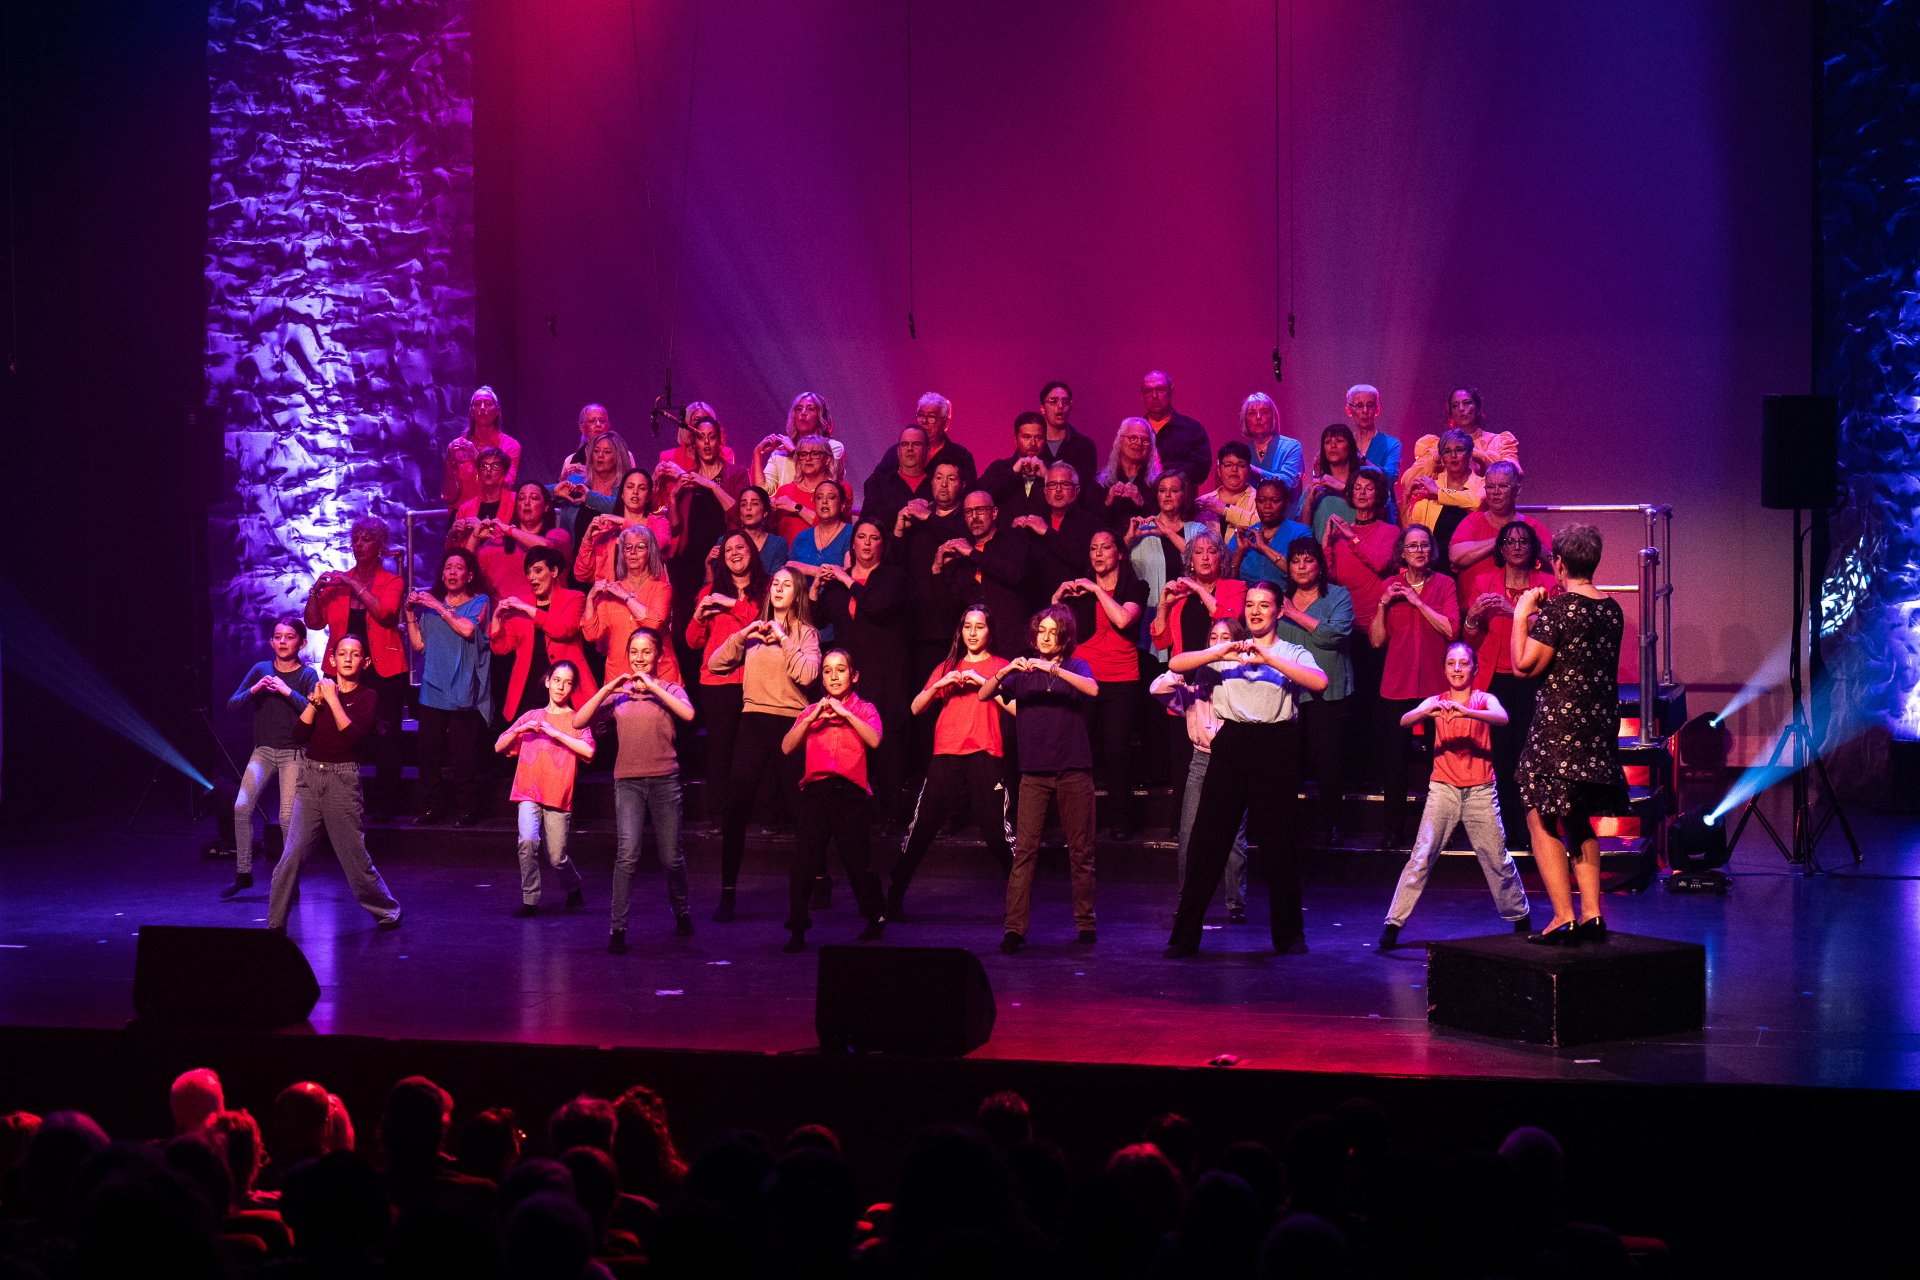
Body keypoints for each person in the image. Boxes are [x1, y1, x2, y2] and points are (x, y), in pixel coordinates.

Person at [1163, 583, 1327, 957]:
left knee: (1280, 842)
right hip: (1232, 743)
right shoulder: (1227, 652)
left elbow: (1319, 681)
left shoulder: (1290, 651)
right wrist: (1220, 650)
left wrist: (1268, 660)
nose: (1255, 611)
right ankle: (1185, 936)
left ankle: (1288, 936)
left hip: (1276, 744)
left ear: (1278, 611)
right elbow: (1175, 664)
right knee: (1208, 840)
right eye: (1250, 605)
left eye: (1263, 605)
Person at [1512, 524, 1629, 944]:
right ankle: (1592, 914)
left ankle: (1563, 915)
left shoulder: (1561, 610)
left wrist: (1521, 614)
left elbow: (1524, 665)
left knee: (1540, 815)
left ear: (1559, 564)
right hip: (1596, 729)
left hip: (1559, 731)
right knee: (1577, 817)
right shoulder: (1611, 608)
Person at [1378, 641, 1531, 948]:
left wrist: (1468, 712)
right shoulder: (1437, 700)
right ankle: (1393, 924)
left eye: (1463, 664)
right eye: (1451, 664)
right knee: (1421, 856)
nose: (1457, 669)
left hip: (1480, 792)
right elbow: (1404, 720)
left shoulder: (1484, 699)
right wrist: (1426, 711)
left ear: (1474, 669)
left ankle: (1519, 915)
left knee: (1496, 857)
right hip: (1443, 791)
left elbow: (1502, 717)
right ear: (1445, 668)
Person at [978, 605, 1100, 953]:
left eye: (1053, 632)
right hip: (1033, 775)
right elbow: (984, 694)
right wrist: (1004, 672)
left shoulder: (1075, 666)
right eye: (1041, 631)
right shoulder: (1024, 671)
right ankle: (1014, 928)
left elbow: (1092, 689)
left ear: (1064, 637)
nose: (1046, 638)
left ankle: (1085, 922)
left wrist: (1055, 670)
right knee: (1025, 852)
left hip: (1073, 771)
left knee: (1081, 852)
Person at [706, 566, 822, 921]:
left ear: (797, 593)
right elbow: (715, 664)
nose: (779, 589)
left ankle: (818, 878)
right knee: (737, 805)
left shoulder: (806, 633)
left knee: (802, 808)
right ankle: (728, 892)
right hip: (754, 721)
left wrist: (784, 639)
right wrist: (744, 634)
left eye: (787, 585)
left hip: (790, 723)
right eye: (775, 583)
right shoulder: (753, 634)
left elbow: (807, 675)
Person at [267, 635, 404, 932]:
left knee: (354, 858)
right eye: (342, 653)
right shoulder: (321, 691)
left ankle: (386, 908)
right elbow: (299, 736)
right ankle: (275, 924)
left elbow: (352, 737)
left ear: (364, 662)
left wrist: (332, 700)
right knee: (291, 855)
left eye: (355, 655)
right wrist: (314, 703)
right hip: (310, 777)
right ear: (332, 660)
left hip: (342, 780)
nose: (347, 659)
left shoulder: (368, 696)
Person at [573, 628, 697, 950]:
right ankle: (618, 929)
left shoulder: (670, 689)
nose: (639, 658)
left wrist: (654, 687)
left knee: (671, 857)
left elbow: (688, 713)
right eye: (634, 652)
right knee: (627, 855)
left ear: (658, 656)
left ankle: (682, 911)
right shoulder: (620, 696)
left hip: (664, 781)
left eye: (646, 652)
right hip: (628, 782)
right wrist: (607, 689)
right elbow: (578, 721)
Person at [889, 606, 1013, 919]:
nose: (973, 632)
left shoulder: (1000, 666)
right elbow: (916, 708)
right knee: (921, 829)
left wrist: (983, 682)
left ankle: (1020, 902)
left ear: (989, 631)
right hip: (946, 752)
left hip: (985, 752)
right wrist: (939, 686)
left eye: (979, 626)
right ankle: (894, 896)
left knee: (996, 833)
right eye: (968, 626)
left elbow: (1017, 709)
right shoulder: (947, 666)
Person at [779, 649, 887, 952]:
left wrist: (847, 714)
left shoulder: (864, 709)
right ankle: (798, 925)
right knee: (803, 859)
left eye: (841, 670)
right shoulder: (813, 711)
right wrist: (812, 716)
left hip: (850, 794)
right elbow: (787, 747)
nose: (834, 676)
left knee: (856, 860)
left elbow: (875, 739)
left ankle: (875, 915)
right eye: (827, 671)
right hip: (817, 792)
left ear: (853, 676)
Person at [1462, 519, 1559, 848]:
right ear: (1500, 549)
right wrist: (1473, 617)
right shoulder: (1482, 580)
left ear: (1533, 549)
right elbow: (1470, 639)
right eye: (1510, 541)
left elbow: (1554, 633)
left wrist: (1517, 612)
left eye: (1523, 542)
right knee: (1499, 759)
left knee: (1530, 758)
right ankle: (1500, 832)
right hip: (1494, 682)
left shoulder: (1547, 584)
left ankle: (1533, 832)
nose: (1516, 546)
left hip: (1531, 680)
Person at [1150, 618, 1252, 926]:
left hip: (1234, 763)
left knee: (1234, 836)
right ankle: (1187, 900)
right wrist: (1181, 677)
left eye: (1226, 637)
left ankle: (1235, 902)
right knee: (1190, 833)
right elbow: (1158, 688)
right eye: (1214, 637)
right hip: (1201, 761)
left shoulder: (1244, 678)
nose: (1219, 642)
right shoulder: (1197, 681)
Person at [303, 517, 407, 818]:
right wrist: (314, 592)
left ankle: (386, 806)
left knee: (386, 737)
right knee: (335, 732)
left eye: (366, 539)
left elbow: (385, 614)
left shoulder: (392, 581)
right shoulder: (338, 584)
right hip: (343, 669)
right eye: (356, 539)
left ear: (380, 546)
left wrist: (354, 584)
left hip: (383, 669)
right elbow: (313, 622)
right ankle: (335, 801)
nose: (359, 544)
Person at [810, 518, 911, 822]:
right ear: (852, 544)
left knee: (888, 746)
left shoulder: (892, 577)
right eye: (862, 537)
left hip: (886, 673)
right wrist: (815, 589)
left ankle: (891, 817)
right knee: (851, 742)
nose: (867, 543)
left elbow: (876, 606)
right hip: (850, 677)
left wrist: (846, 579)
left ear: (883, 544)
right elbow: (821, 619)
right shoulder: (840, 583)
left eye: (874, 538)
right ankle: (857, 815)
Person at [1367, 524, 1461, 849]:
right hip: (1397, 685)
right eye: (1412, 546)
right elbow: (1377, 640)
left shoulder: (1445, 584)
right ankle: (1393, 829)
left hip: (1436, 686)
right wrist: (1382, 604)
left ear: (1431, 550)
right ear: (1402, 553)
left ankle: (1442, 832)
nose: (1419, 550)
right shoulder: (1389, 586)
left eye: (1424, 545)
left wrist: (1418, 602)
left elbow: (1451, 629)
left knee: (1442, 763)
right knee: (1395, 763)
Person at [1055, 530, 1148, 840]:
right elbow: (1055, 628)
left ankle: (1121, 819)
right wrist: (1057, 599)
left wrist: (1096, 589)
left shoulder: (1135, 587)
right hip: (1084, 676)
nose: (1097, 554)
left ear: (1118, 553)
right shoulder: (1078, 590)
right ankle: (1076, 818)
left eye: (1105, 547)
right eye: (1093, 548)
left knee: (1116, 749)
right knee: (1080, 748)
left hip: (1121, 677)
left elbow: (1123, 619)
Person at [222, 615, 320, 897]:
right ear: (271, 641)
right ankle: (243, 873)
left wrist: (287, 691)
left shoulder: (307, 675)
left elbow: (313, 712)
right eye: (278, 636)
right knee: (241, 807)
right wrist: (255, 689)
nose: (282, 642)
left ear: (301, 643)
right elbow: (232, 704)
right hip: (263, 751)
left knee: (287, 817)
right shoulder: (260, 669)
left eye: (289, 637)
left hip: (293, 752)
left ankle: (291, 880)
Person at [1324, 465, 1400, 804]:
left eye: (1369, 488)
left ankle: (1378, 774)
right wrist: (1327, 543)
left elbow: (1382, 563)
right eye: (1357, 487)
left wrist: (1351, 537)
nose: (1362, 492)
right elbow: (1330, 575)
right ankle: (1353, 775)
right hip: (1345, 626)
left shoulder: (1389, 531)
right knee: (1349, 704)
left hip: (1375, 626)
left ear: (1379, 494)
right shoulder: (1340, 531)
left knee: (1376, 702)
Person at [495, 662, 595, 918]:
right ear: (548, 681)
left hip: (558, 795)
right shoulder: (531, 716)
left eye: (568, 682)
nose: (561, 686)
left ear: (573, 687)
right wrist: (519, 729)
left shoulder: (577, 719)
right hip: (529, 791)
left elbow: (589, 751)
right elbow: (499, 746)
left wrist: (555, 733)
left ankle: (573, 886)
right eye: (557, 680)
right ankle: (530, 899)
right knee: (527, 842)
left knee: (557, 857)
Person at [684, 532, 768, 831]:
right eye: (729, 549)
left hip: (759, 678)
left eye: (740, 547)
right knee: (721, 749)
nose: (734, 553)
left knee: (756, 749)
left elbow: (763, 624)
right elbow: (693, 642)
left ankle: (761, 813)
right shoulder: (710, 591)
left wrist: (731, 603)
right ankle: (720, 815)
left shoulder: (767, 588)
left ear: (751, 552)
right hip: (718, 682)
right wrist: (697, 616)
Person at [1275, 539, 1356, 844]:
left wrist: (1294, 614)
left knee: (1327, 761)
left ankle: (1334, 824)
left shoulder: (1338, 596)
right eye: (1296, 561)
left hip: (1328, 693)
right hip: (1288, 693)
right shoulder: (1278, 599)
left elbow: (1334, 635)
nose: (1302, 567)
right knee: (1286, 761)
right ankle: (1287, 826)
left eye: (1308, 561)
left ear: (1320, 566)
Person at [405, 549, 492, 827]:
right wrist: (410, 614)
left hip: (462, 687)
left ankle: (467, 807)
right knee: (428, 752)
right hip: (432, 686)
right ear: (442, 574)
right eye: (448, 568)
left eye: (458, 568)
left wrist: (438, 607)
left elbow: (467, 630)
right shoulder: (431, 607)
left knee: (461, 754)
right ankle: (432, 807)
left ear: (469, 575)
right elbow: (419, 645)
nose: (452, 572)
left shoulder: (480, 601)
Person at [488, 544, 597, 726]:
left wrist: (530, 610)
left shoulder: (574, 598)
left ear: (554, 571)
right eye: (529, 572)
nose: (532, 578)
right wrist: (496, 617)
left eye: (538, 571)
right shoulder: (521, 603)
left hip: (567, 690)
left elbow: (563, 629)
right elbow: (501, 648)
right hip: (530, 690)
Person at [1125, 472, 1215, 661]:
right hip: (1152, 615)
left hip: (1189, 614)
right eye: (1162, 490)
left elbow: (1198, 556)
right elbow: (1116, 559)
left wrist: (1167, 532)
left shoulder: (1197, 530)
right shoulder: (1141, 530)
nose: (1167, 495)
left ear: (1184, 495)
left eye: (1174, 490)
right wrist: (1128, 538)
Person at [583, 524, 682, 686]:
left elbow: (653, 623)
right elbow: (591, 634)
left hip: (659, 677)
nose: (633, 552)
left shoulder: (661, 588)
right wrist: (590, 598)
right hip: (619, 679)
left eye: (640, 547)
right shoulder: (611, 591)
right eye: (628, 548)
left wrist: (624, 595)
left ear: (650, 552)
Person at [462, 481, 573, 608]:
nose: (526, 502)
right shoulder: (498, 543)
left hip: (547, 617)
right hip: (506, 620)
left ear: (546, 506)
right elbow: (467, 569)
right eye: (521, 498)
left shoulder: (558, 535)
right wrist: (474, 537)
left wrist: (509, 530)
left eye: (534, 498)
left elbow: (547, 547)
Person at [935, 490, 1029, 634]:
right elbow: (948, 607)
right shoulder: (960, 553)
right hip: (976, 641)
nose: (974, 517)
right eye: (968, 512)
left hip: (1011, 638)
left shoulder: (1013, 539)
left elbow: (1014, 574)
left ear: (994, 513)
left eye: (980, 510)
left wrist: (972, 554)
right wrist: (937, 568)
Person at [1015, 462, 1105, 609]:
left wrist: (1047, 532)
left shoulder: (1091, 523)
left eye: (1064, 484)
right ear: (1045, 491)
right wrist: (1015, 532)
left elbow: (1083, 560)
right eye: (1052, 485)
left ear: (1076, 490)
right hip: (1038, 605)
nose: (1057, 490)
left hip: (1076, 605)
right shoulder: (1034, 522)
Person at [1448, 460, 1551, 579]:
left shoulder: (1532, 526)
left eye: (1502, 486)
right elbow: (1456, 557)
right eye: (1490, 487)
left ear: (1517, 490)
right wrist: (1503, 539)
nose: (1496, 492)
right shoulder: (1473, 521)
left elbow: (1555, 568)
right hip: (1476, 597)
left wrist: (1532, 544)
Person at [1398, 427, 1483, 570]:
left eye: (1459, 449)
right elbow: (1412, 532)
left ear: (1469, 454)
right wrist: (1406, 500)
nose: (1453, 455)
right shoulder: (1431, 487)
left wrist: (1439, 493)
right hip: (1435, 570)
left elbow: (1476, 502)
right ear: (1441, 458)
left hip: (1471, 565)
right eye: (1447, 451)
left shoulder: (1480, 484)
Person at [572, 466, 672, 587]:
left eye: (642, 488)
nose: (635, 492)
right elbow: (582, 574)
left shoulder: (659, 523)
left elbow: (658, 544)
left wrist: (625, 523)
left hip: (646, 600)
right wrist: (587, 539)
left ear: (649, 496)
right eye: (630, 487)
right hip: (610, 600)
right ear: (622, 494)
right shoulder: (608, 529)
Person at [868, 392, 977, 491]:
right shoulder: (900, 450)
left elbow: (970, 492)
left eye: (931, 417)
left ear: (945, 422)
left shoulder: (961, 456)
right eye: (921, 415)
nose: (924, 421)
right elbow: (870, 484)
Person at [1410, 385, 1520, 480]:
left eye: (1466, 403)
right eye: (1455, 405)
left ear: (1478, 409)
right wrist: (1436, 457)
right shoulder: (1437, 445)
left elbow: (1515, 473)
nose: (1461, 409)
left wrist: (1478, 455)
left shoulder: (1499, 441)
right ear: (1451, 413)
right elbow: (1409, 479)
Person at [442, 385, 522, 509]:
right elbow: (449, 495)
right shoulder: (457, 446)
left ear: (497, 411)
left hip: (494, 513)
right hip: (461, 516)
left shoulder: (510, 445)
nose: (482, 408)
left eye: (488, 403)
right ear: (472, 412)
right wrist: (450, 464)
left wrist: (477, 457)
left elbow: (507, 484)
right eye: (478, 404)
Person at [1228, 478, 1312, 590]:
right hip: (1248, 602)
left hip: (1285, 602)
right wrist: (1239, 552)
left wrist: (1264, 547)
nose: (1267, 506)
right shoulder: (1244, 535)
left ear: (1286, 503)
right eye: (1261, 501)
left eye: (1275, 500)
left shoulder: (1300, 533)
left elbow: (1303, 572)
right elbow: (1228, 581)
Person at [755, 392, 846, 490]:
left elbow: (825, 480)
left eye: (810, 409)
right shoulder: (779, 453)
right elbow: (762, 491)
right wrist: (757, 454)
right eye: (799, 409)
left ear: (820, 416)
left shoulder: (833, 447)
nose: (803, 413)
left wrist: (793, 451)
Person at [1140, 369, 1212, 487]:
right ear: (1142, 395)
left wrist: (1162, 470)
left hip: (1181, 503)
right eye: (1148, 391)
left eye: (1160, 389)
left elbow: (1201, 470)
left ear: (1171, 391)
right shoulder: (1133, 432)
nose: (1154, 396)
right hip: (1142, 503)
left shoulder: (1192, 430)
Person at [860, 425, 934, 534]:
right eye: (904, 444)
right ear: (898, 452)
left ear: (928, 451)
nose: (910, 448)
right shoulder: (878, 484)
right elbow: (866, 523)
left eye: (916, 444)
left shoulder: (937, 485)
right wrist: (908, 507)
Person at [978, 412, 1051, 522]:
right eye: (1026, 437)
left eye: (1038, 438)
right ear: (1015, 440)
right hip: (1005, 536)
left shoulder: (1054, 470)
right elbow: (979, 498)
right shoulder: (999, 467)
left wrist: (1048, 477)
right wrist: (1012, 472)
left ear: (1045, 440)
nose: (1032, 443)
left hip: (1044, 537)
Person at [1095, 418, 1162, 535]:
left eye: (1145, 439)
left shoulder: (1159, 483)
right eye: (1133, 438)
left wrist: (1141, 503)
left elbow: (1166, 523)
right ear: (1120, 441)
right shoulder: (1101, 482)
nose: (1139, 443)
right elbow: (1091, 524)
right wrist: (1108, 502)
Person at [766, 434, 837, 542]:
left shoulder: (838, 491)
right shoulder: (784, 491)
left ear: (827, 459)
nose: (808, 459)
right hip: (789, 557)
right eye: (803, 454)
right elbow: (772, 531)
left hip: (826, 557)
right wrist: (768, 511)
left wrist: (797, 508)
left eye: (814, 454)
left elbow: (833, 529)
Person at [1342, 384, 1403, 506]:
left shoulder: (1392, 444)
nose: (1365, 411)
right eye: (1359, 406)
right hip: (1348, 509)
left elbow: (1390, 478)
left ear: (1377, 409)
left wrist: (1361, 459)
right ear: (1348, 410)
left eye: (1370, 405)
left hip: (1382, 511)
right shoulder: (1344, 444)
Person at [1298, 423, 1361, 540]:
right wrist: (1308, 504)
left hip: (1357, 550)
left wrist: (1343, 488)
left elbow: (1379, 512)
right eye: (1327, 442)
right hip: (1322, 553)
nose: (1332, 445)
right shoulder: (1315, 488)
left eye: (1339, 441)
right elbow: (1301, 531)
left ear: (1350, 447)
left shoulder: (1362, 483)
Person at [785, 480, 854, 585]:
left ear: (842, 505)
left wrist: (808, 570)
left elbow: (849, 574)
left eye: (831, 497)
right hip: (803, 599)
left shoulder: (851, 533)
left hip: (835, 598)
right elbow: (788, 568)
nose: (824, 501)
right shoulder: (803, 537)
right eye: (819, 497)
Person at [1037, 381, 1099, 493]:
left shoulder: (1084, 446)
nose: (1060, 406)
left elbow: (1087, 490)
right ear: (1042, 409)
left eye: (1065, 401)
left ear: (1070, 406)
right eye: (1053, 401)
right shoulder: (1033, 445)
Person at [555, 403, 635, 479]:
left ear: (608, 425)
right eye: (592, 421)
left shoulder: (624, 455)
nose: (598, 424)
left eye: (602, 420)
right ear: (582, 428)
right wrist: (562, 480)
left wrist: (589, 475)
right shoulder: (570, 460)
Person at [726, 485, 791, 577]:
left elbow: (776, 581)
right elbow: (712, 583)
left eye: (754, 503)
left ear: (765, 512)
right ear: (740, 513)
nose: (748, 508)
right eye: (743, 504)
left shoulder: (778, 544)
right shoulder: (726, 541)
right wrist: (708, 564)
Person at [1240, 392, 1301, 490]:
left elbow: (1288, 481)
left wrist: (1251, 469)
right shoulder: (1242, 453)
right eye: (1252, 413)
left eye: (1264, 412)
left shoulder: (1291, 446)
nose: (1258, 417)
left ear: (1273, 417)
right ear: (1245, 420)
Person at [1198, 441, 1257, 535]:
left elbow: (1260, 526)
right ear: (1219, 470)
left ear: (1249, 470)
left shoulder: (1259, 500)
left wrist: (1225, 510)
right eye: (1228, 465)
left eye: (1241, 465)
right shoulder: (1202, 502)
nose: (1234, 470)